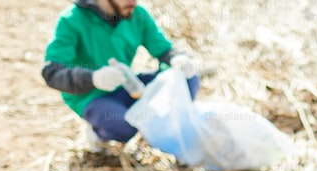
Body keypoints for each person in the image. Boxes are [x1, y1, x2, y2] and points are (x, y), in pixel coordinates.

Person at [42, 0, 200, 150]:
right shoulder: (72, 20)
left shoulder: (137, 15)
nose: (133, 1)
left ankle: (163, 129)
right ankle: (98, 134)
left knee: (187, 79)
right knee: (124, 128)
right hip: (91, 96)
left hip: (128, 85)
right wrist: (93, 78)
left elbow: (163, 49)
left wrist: (177, 58)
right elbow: (52, 72)